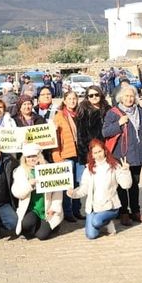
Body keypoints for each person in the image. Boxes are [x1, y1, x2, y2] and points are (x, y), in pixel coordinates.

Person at [67, 139, 133, 239]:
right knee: (91, 235)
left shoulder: (114, 165)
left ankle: (107, 221)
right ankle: (103, 223)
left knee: (96, 221)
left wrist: (125, 171)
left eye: (100, 151)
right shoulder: (89, 168)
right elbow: (84, 188)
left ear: (105, 151)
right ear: (92, 154)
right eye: (95, 153)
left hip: (110, 206)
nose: (98, 155)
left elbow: (126, 185)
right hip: (94, 208)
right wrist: (73, 193)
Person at [102, 83, 142, 226]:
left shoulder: (140, 111)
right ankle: (123, 212)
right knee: (122, 185)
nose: (129, 98)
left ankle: (135, 211)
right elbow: (105, 132)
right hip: (121, 155)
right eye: (126, 96)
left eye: (132, 96)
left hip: (137, 154)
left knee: (134, 184)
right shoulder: (113, 113)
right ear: (121, 97)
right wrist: (119, 124)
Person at [12, 144, 64, 240]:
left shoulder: (48, 168)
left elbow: (58, 191)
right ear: (25, 158)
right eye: (28, 157)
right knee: (27, 224)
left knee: (42, 235)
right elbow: (16, 192)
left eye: (34, 156)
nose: (31, 159)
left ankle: (51, 226)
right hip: (31, 208)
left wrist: (54, 208)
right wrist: (29, 186)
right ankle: (33, 226)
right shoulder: (20, 171)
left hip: (47, 208)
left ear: (39, 156)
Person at [53, 90, 81, 221]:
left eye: (74, 98)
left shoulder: (80, 114)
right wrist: (57, 156)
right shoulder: (59, 116)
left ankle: (77, 209)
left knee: (79, 183)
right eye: (69, 99)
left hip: (79, 153)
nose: (72, 101)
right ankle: (68, 212)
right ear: (64, 101)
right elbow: (55, 138)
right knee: (68, 184)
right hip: (66, 153)